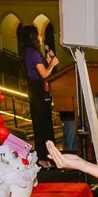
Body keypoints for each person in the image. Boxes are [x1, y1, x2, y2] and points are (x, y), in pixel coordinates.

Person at [19, 25, 58, 162]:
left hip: (34, 89)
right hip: (38, 90)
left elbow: (39, 71)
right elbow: (44, 74)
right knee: (43, 125)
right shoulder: (33, 52)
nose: (41, 37)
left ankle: (44, 156)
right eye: (39, 35)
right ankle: (45, 157)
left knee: (40, 124)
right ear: (33, 37)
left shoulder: (28, 52)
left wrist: (47, 61)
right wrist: (52, 64)